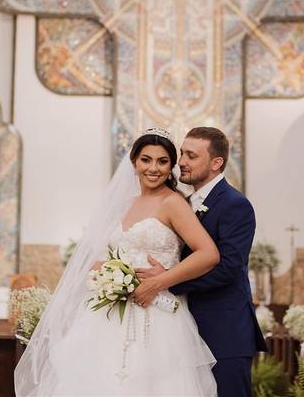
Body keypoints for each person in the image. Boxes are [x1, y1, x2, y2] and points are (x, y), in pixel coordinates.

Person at [15, 128, 220, 396]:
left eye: (162, 161)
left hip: (155, 316)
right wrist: (105, 272)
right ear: (134, 161)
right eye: (146, 159)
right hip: (107, 314)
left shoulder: (173, 204)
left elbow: (208, 254)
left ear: (171, 167)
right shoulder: (122, 204)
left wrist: (159, 281)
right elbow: (102, 254)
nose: (153, 168)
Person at [134, 127, 267, 397]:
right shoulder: (184, 201)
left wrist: (166, 281)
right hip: (181, 327)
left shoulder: (235, 204)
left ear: (216, 163)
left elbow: (228, 268)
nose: (181, 161)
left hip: (223, 330)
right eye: (182, 153)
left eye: (191, 156)